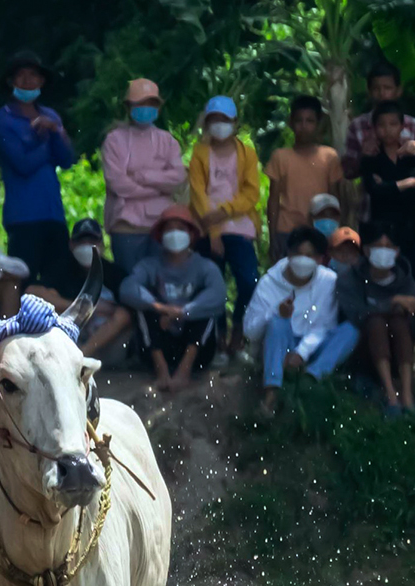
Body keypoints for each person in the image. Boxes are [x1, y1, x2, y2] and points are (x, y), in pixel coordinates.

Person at [244, 226, 356, 415]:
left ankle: (310, 378)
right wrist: (275, 312)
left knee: (351, 331)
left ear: (321, 259)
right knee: (277, 322)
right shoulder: (269, 282)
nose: (303, 259)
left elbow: (324, 325)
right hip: (278, 346)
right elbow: (250, 331)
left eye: (310, 255)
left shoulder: (328, 281)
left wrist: (302, 353)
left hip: (312, 347)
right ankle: (272, 392)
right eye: (298, 253)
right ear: (288, 253)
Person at [0, 50, 76, 286]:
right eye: (21, 76)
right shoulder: (3, 120)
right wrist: (47, 139)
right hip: (23, 216)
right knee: (23, 284)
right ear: (11, 82)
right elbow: (22, 164)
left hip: (53, 213)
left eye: (33, 75)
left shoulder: (51, 116)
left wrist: (56, 132)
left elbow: (67, 158)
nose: (28, 81)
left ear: (42, 81)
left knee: (58, 283)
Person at [120, 206, 225, 391]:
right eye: (169, 229)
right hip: (158, 345)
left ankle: (184, 371)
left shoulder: (204, 267)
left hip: (198, 352)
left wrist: (184, 312)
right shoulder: (149, 265)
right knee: (144, 307)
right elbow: (127, 289)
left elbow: (218, 296)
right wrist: (160, 307)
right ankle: (162, 371)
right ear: (161, 235)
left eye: (180, 229)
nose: (175, 234)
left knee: (206, 309)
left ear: (191, 235)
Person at [188, 95, 261, 352]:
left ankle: (239, 330)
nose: (220, 124)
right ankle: (218, 340)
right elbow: (198, 194)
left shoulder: (247, 153)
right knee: (214, 286)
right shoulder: (199, 153)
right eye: (214, 119)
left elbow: (252, 193)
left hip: (240, 228)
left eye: (225, 119)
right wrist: (214, 231)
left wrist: (225, 211)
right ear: (207, 123)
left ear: (235, 122)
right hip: (208, 231)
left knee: (250, 282)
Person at [358, 100, 415, 317]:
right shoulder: (371, 160)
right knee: (383, 287)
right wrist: (408, 183)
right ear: (375, 129)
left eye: (393, 124)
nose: (388, 130)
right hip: (383, 235)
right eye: (382, 125)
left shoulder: (414, 157)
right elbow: (375, 190)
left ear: (402, 126)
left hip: (413, 231)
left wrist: (391, 186)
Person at [337, 225, 415, 415]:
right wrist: (393, 302)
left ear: (397, 251)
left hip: (398, 348)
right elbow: (357, 315)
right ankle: (392, 397)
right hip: (363, 351)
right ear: (366, 250)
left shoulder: (406, 280)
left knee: (399, 321)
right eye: (378, 246)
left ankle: (407, 397)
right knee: (376, 322)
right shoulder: (349, 279)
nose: (384, 251)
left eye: (389, 246)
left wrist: (410, 311)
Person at [101, 78, 185, 270]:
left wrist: (142, 176)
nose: (146, 108)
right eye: (140, 103)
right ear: (128, 106)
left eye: (151, 103)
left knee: (160, 287)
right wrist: (160, 188)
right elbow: (118, 184)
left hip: (161, 227)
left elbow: (178, 178)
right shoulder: (114, 140)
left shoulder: (168, 141)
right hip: (126, 228)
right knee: (128, 285)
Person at [26, 217, 133, 357]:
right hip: (72, 336)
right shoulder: (62, 268)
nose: (87, 246)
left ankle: (81, 356)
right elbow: (32, 292)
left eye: (92, 241)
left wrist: (108, 309)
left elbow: (130, 311)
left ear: (101, 245)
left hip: (108, 343)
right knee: (49, 296)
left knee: (122, 315)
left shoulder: (115, 273)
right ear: (71, 245)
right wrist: (82, 308)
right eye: (81, 241)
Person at [265, 95, 342, 255]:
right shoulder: (280, 156)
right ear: (291, 123)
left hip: (320, 231)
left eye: (310, 121)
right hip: (286, 231)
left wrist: (335, 233)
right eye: (299, 121)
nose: (304, 126)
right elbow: (273, 200)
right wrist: (273, 238)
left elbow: (335, 199)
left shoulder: (329, 156)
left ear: (319, 124)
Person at [343, 61, 415, 177]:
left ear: (398, 91)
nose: (382, 93)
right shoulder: (357, 126)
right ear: (369, 92)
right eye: (376, 89)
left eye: (387, 88)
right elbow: (348, 172)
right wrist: (363, 157)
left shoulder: (412, 125)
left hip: (409, 194)